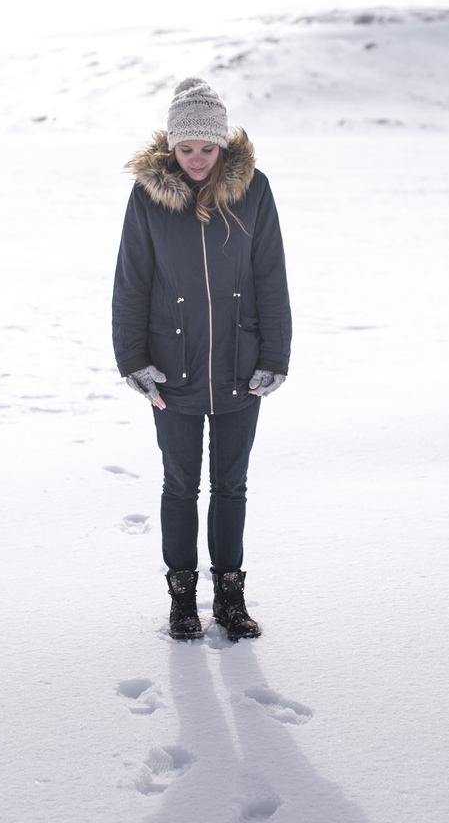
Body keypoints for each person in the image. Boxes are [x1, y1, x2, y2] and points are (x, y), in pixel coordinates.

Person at [111, 77, 292, 641]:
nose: (195, 159)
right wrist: (133, 359)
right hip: (174, 368)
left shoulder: (254, 191)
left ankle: (231, 598)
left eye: (206, 149)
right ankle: (182, 599)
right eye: (186, 148)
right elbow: (131, 282)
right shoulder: (147, 197)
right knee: (179, 485)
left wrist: (275, 355)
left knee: (232, 485)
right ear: (171, 146)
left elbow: (271, 276)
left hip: (241, 365)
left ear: (222, 147)